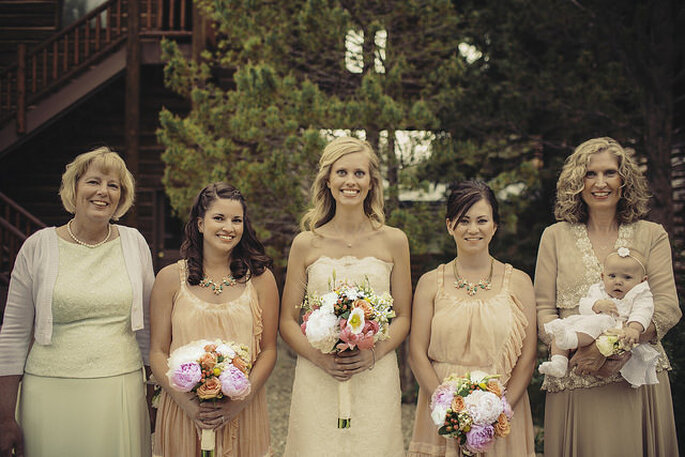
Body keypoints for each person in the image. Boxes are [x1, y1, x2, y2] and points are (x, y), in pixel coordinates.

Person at [0, 146, 154, 457]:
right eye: (94, 182)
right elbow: (13, 334)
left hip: (119, 390)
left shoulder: (134, 243)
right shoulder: (38, 247)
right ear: (74, 188)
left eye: (114, 185)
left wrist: (153, 398)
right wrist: (4, 417)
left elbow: (150, 328)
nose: (103, 192)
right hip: (49, 390)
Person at [535, 137, 681, 456]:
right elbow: (543, 308)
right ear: (576, 181)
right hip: (576, 374)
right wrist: (575, 349)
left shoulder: (652, 234)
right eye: (590, 174)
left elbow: (668, 307)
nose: (600, 183)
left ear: (624, 180)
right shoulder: (554, 236)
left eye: (610, 173)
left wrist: (615, 347)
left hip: (636, 380)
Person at [279, 136, 411, 457]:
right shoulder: (306, 244)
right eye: (341, 172)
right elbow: (286, 321)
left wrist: (372, 354)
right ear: (328, 180)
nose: (350, 181)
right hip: (318, 373)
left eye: (359, 173)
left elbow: (404, 316)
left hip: (374, 371)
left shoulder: (394, 241)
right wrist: (320, 359)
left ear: (371, 182)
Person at [408, 180, 537, 457]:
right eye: (463, 220)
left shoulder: (520, 283)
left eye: (482, 220)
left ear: (495, 226)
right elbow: (417, 353)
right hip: (442, 413)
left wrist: (496, 412)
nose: (473, 229)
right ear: (449, 225)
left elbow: (528, 358)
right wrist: (448, 410)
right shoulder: (430, 283)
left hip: (501, 411)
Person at [149, 182, 277, 457]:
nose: (228, 227)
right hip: (183, 409)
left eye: (236, 220)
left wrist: (239, 403)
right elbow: (158, 352)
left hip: (243, 410)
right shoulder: (170, 278)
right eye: (219, 218)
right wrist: (189, 405)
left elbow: (268, 350)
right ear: (199, 223)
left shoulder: (261, 279)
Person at [539, 246, 660, 388]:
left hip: (615, 331)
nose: (618, 281)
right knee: (562, 328)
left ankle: (568, 340)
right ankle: (559, 362)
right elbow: (584, 305)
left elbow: (643, 311)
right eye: (612, 276)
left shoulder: (640, 293)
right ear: (603, 276)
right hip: (590, 327)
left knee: (594, 325)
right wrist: (596, 305)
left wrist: (634, 328)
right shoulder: (598, 289)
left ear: (642, 280)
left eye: (627, 277)